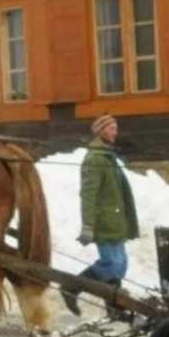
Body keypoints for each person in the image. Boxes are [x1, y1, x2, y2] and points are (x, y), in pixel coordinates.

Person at [60, 114, 139, 316]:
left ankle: (113, 306)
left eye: (116, 127)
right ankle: (72, 287)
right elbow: (88, 195)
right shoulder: (95, 158)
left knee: (120, 264)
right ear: (101, 131)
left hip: (115, 221)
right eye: (112, 128)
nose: (116, 132)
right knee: (112, 263)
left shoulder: (108, 156)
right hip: (103, 221)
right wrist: (88, 225)